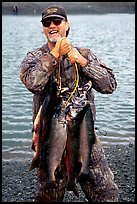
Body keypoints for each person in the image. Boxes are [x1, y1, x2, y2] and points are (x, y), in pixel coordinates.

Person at [20, 5, 118, 202]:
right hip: (50, 139)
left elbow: (110, 85)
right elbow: (33, 83)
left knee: (106, 194)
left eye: (57, 21)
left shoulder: (85, 54)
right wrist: (55, 55)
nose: (52, 26)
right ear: (43, 28)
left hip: (84, 138)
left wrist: (83, 62)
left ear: (67, 25)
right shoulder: (35, 58)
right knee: (49, 195)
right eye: (47, 23)